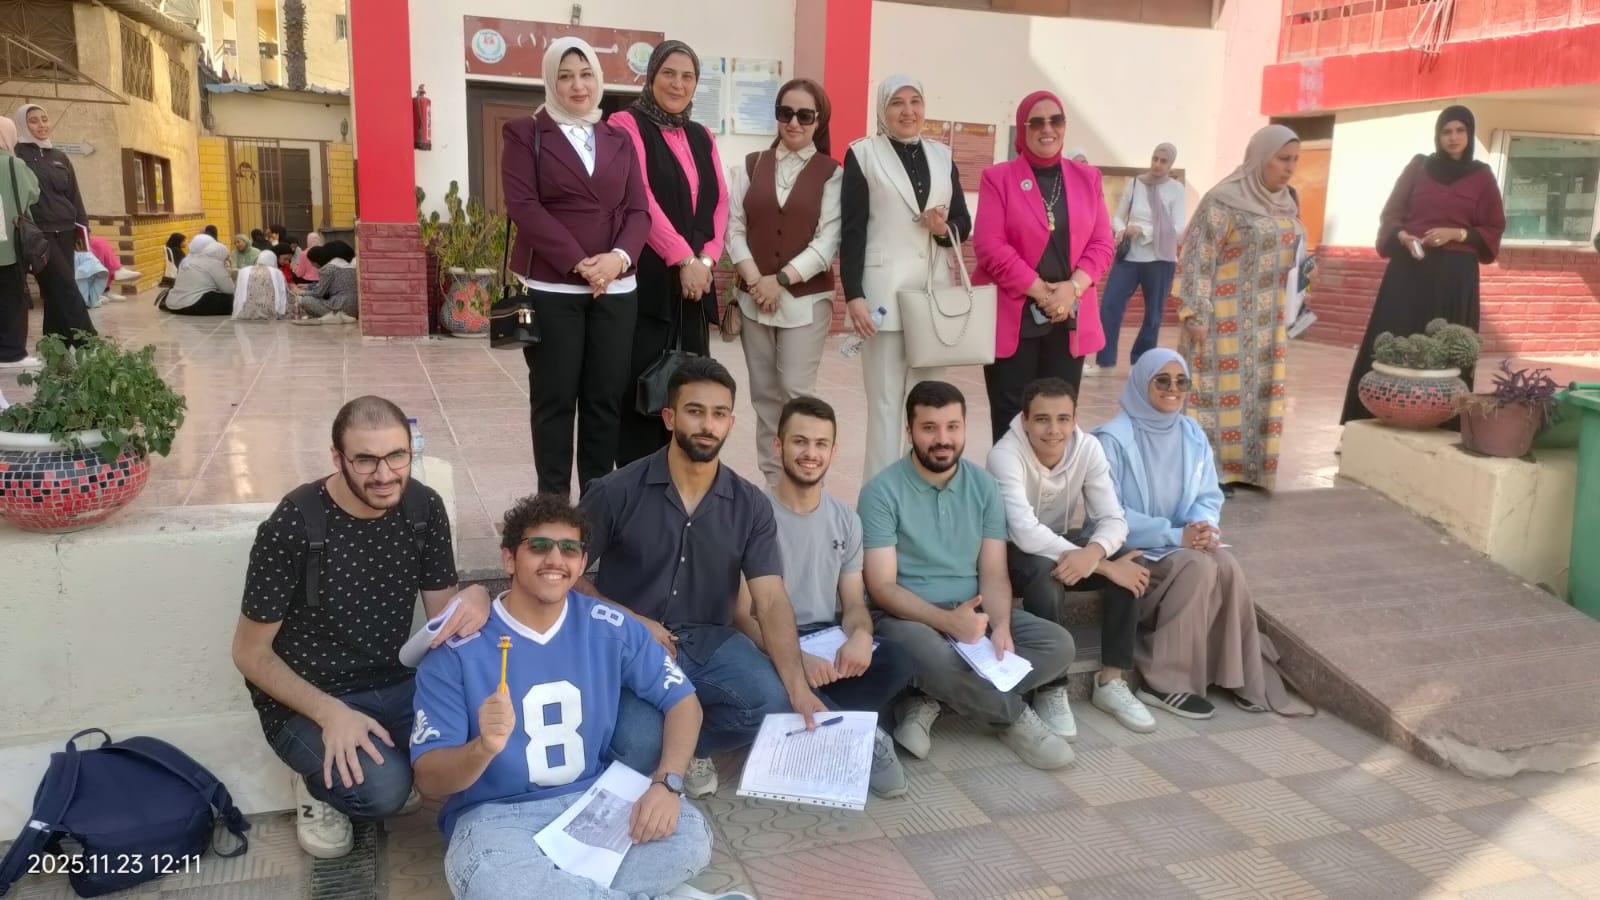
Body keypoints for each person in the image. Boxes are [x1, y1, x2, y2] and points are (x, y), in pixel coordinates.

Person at [411, 494, 715, 900]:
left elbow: (683, 701)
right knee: (490, 877)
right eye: (539, 546)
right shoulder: (456, 649)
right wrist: (482, 748)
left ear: (582, 562)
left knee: (691, 836)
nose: (555, 559)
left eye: (569, 549)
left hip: (592, 801)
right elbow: (429, 778)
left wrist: (668, 783)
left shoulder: (611, 625)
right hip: (496, 817)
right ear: (509, 559)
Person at [231, 396, 492, 859]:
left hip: (397, 680)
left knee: (482, 742)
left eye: (397, 456)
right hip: (310, 697)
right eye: (366, 460)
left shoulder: (423, 508)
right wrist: (329, 713)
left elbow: (442, 622)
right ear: (338, 458)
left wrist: (475, 598)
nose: (385, 474)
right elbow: (249, 653)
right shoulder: (293, 524)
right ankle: (315, 786)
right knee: (385, 791)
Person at [577, 358, 827, 799]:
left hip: (710, 642)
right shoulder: (617, 491)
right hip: (631, 645)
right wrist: (629, 620)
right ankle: (660, 743)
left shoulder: (749, 505)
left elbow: (770, 600)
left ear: (730, 422)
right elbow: (562, 575)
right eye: (695, 411)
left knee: (773, 705)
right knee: (638, 744)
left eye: (718, 414)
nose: (707, 425)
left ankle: (689, 747)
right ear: (670, 417)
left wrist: (798, 686)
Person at [859, 381, 1077, 770]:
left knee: (1059, 645)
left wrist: (1002, 624)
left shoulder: (984, 486)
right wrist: (946, 622)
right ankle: (1014, 719)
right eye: (929, 428)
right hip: (906, 616)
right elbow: (881, 586)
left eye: (952, 427)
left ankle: (928, 699)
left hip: (974, 611)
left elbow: (993, 572)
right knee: (931, 656)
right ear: (909, 431)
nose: (943, 439)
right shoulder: (881, 492)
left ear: (964, 427)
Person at [1094, 350, 1313, 720]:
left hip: (1180, 544)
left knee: (1225, 564)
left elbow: (1207, 496)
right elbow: (1109, 513)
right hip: (1130, 550)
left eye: (1182, 381)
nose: (1173, 389)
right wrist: (1174, 535)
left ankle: (1233, 673)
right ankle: (1163, 681)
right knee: (1198, 567)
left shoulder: (1190, 433)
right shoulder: (1110, 440)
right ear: (1141, 383)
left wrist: (1200, 527)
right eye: (1162, 380)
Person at [733, 396, 914, 797]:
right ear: (778, 446)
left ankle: (812, 724)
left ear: (833, 451)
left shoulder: (846, 519)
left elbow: (853, 604)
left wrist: (861, 636)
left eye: (820, 444)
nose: (810, 453)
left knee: (897, 660)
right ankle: (861, 735)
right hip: (767, 640)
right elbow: (743, 616)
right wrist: (796, 659)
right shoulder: (752, 515)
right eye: (800, 441)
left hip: (823, 636)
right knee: (763, 683)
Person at [503, 37, 650, 499]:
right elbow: (523, 206)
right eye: (565, 76)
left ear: (599, 79)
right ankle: (552, 509)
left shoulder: (619, 138)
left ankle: (595, 505)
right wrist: (580, 263)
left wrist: (618, 259)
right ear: (551, 81)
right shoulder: (525, 132)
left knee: (604, 403)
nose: (577, 85)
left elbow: (639, 210)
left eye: (585, 74)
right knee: (554, 402)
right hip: (553, 288)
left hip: (616, 291)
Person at [986, 378, 1156, 734]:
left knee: (1131, 562)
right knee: (1047, 573)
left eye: (1063, 419)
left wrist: (1093, 552)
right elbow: (1024, 533)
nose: (1054, 430)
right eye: (1042, 419)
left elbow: (1114, 519)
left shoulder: (1088, 448)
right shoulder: (1004, 455)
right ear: (1025, 420)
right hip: (1011, 551)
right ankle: (1051, 687)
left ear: (1075, 419)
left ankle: (1111, 681)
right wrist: (1103, 566)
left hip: (1062, 543)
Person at [1339, 106, 1506, 424]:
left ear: (1469, 134)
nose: (1453, 138)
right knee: (1391, 339)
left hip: (1455, 276)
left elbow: (1493, 226)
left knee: (1448, 348)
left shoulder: (1482, 176)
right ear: (1437, 136)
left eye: (1460, 131)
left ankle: (1444, 423)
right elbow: (1391, 214)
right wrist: (1403, 236)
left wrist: (1457, 233)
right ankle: (1370, 418)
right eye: (1446, 131)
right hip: (1410, 269)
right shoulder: (1419, 167)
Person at [841, 76, 972, 480]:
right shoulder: (863, 154)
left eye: (915, 101)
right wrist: (854, 295)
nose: (908, 110)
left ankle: (925, 491)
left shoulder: (942, 155)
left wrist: (942, 228)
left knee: (930, 406)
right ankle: (879, 501)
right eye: (897, 102)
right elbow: (853, 230)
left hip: (932, 297)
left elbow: (962, 223)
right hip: (882, 296)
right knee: (885, 407)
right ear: (883, 109)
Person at [609, 41, 729, 467]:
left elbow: (720, 202)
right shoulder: (626, 123)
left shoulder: (702, 135)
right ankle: (638, 485)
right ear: (651, 76)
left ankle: (684, 482)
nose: (678, 84)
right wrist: (683, 258)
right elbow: (639, 196)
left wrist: (706, 261)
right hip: (648, 284)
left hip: (693, 288)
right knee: (644, 389)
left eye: (688, 76)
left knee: (689, 390)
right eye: (669, 73)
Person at [973, 91, 1113, 444]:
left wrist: (1071, 289)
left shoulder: (1088, 178)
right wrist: (1043, 292)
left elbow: (1102, 243)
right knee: (1011, 422)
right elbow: (990, 246)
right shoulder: (998, 178)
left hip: (1069, 316)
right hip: (1015, 317)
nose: (1047, 128)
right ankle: (1011, 483)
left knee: (1057, 422)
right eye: (1036, 122)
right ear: (1023, 129)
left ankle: (1053, 483)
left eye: (1056, 120)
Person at [726, 79, 843, 485]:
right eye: (785, 113)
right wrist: (756, 280)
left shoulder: (832, 173)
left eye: (804, 115)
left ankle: (804, 483)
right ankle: (773, 484)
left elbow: (828, 239)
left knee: (796, 392)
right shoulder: (752, 164)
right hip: (753, 296)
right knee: (764, 396)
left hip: (805, 300)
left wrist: (780, 281)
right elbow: (734, 227)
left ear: (818, 121)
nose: (793, 122)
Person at [1175, 124, 1303, 493]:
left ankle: (1247, 470)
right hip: (1221, 319)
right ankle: (1207, 473)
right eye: (1282, 158)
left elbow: (1292, 252)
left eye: (1295, 160)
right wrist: (1195, 312)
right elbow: (1198, 257)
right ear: (1260, 157)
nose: (1289, 167)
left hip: (1266, 321)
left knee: (1258, 396)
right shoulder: (1223, 200)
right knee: (1211, 397)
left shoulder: (1288, 201)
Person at [1092, 142, 1187, 377]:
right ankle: (1105, 362)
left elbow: (1179, 228)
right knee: (1109, 307)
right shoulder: (1135, 183)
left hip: (1160, 259)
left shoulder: (1176, 190)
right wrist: (1122, 230)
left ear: (1171, 164)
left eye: (1163, 161)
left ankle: (1141, 363)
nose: (1157, 164)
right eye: (1155, 159)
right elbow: (1117, 217)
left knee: (1153, 314)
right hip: (1129, 257)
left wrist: (1143, 231)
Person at [10, 104, 96, 347]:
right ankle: (89, 342)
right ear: (22, 125)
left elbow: (74, 195)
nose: (41, 125)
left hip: (66, 230)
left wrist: (83, 228)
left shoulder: (59, 157)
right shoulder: (17, 156)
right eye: (34, 121)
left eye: (45, 119)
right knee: (66, 286)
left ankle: (55, 344)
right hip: (39, 233)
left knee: (55, 290)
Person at [0, 115, 42, 369]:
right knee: (12, 298)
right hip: (8, 246)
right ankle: (11, 353)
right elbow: (33, 193)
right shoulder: (13, 164)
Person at [162, 240, 234, 315]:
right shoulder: (214, 263)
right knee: (236, 300)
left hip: (173, 304)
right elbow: (229, 289)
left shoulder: (190, 259)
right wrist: (226, 269)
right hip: (192, 304)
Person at [292, 243, 358, 325]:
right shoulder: (351, 267)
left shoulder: (328, 268)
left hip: (339, 307)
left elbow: (319, 293)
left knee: (305, 300)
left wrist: (302, 293)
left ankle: (333, 317)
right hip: (353, 308)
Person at [232, 252, 288, 320]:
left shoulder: (244, 271)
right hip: (270, 313)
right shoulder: (276, 273)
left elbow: (238, 292)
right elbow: (283, 293)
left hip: (245, 313)